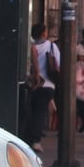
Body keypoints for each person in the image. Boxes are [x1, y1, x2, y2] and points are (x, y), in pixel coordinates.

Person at [23, 23, 58, 153]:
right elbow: (58, 64)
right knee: (40, 113)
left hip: (30, 84)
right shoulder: (51, 46)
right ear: (44, 33)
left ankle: (27, 138)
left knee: (30, 112)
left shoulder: (28, 46)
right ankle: (35, 140)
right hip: (47, 84)